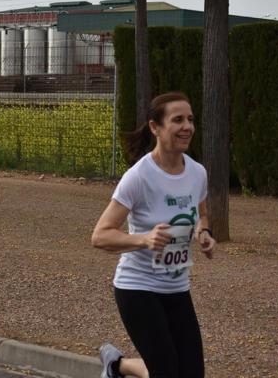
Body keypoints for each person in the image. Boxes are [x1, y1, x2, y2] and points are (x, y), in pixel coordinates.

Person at [91, 92, 216, 378]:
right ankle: (117, 366)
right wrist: (144, 239)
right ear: (154, 127)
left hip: (177, 289)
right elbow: (100, 235)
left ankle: (116, 365)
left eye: (190, 119)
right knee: (167, 372)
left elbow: (202, 213)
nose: (187, 126)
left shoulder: (197, 173)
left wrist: (203, 232)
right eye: (178, 120)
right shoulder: (139, 176)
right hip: (138, 288)